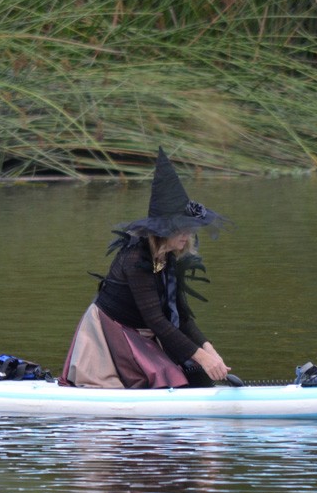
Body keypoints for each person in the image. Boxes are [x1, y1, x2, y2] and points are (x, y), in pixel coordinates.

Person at [60, 147, 232, 389]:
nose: (187, 234)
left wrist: (209, 350)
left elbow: (181, 316)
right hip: (112, 331)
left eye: (190, 227)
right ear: (163, 231)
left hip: (143, 331)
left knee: (192, 375)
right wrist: (201, 358)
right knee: (168, 377)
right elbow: (156, 320)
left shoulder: (167, 258)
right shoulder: (135, 259)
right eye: (181, 228)